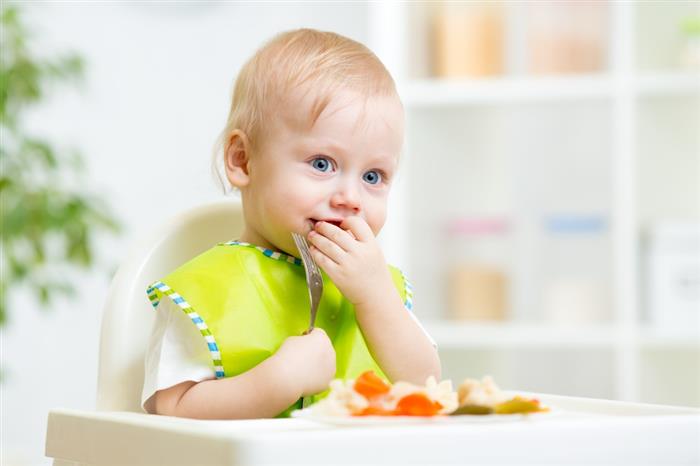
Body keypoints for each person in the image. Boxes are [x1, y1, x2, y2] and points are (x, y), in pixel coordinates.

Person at [142, 28, 441, 419]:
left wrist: (375, 298)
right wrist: (278, 381)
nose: (350, 198)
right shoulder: (205, 291)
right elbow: (170, 410)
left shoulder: (379, 287)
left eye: (373, 177)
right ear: (243, 160)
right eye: (322, 164)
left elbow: (428, 388)